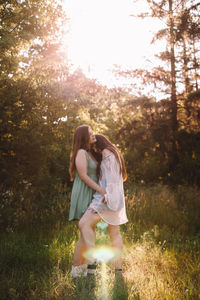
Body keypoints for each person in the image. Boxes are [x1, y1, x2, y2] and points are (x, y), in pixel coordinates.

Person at [79, 134, 128, 277]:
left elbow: (112, 178)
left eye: (94, 146)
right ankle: (118, 270)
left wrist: (107, 195)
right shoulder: (116, 153)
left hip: (106, 199)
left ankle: (92, 259)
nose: (94, 149)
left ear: (99, 144)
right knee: (115, 234)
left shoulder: (106, 152)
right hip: (117, 198)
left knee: (83, 223)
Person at [69, 125, 106, 278]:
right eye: (90, 134)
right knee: (86, 230)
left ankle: (80, 270)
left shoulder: (90, 152)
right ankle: (77, 269)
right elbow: (84, 175)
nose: (93, 135)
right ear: (83, 137)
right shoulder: (81, 152)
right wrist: (100, 190)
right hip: (84, 192)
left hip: (92, 193)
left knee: (87, 232)